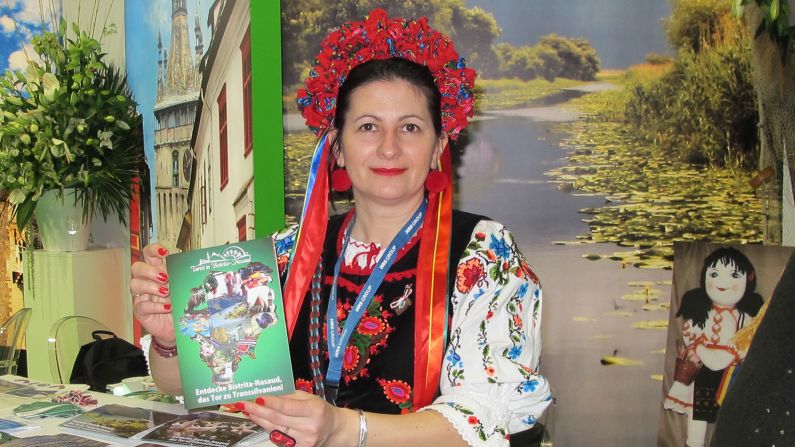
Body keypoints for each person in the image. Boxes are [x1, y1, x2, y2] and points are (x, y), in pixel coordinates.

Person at [131, 9, 551, 447]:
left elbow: (486, 419)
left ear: (438, 148)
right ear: (338, 148)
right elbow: (184, 382)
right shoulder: (287, 253)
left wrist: (343, 428)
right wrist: (168, 340)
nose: (389, 148)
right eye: (368, 127)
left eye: (410, 127)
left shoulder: (482, 253)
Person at [663, 247, 763, 447]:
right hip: (700, 377)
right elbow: (689, 334)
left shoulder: (746, 319)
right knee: (696, 426)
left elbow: (743, 345)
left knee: (729, 423)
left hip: (730, 378)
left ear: (748, 280)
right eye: (715, 274)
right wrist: (701, 350)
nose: (722, 282)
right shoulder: (700, 314)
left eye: (734, 275)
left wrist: (714, 353)